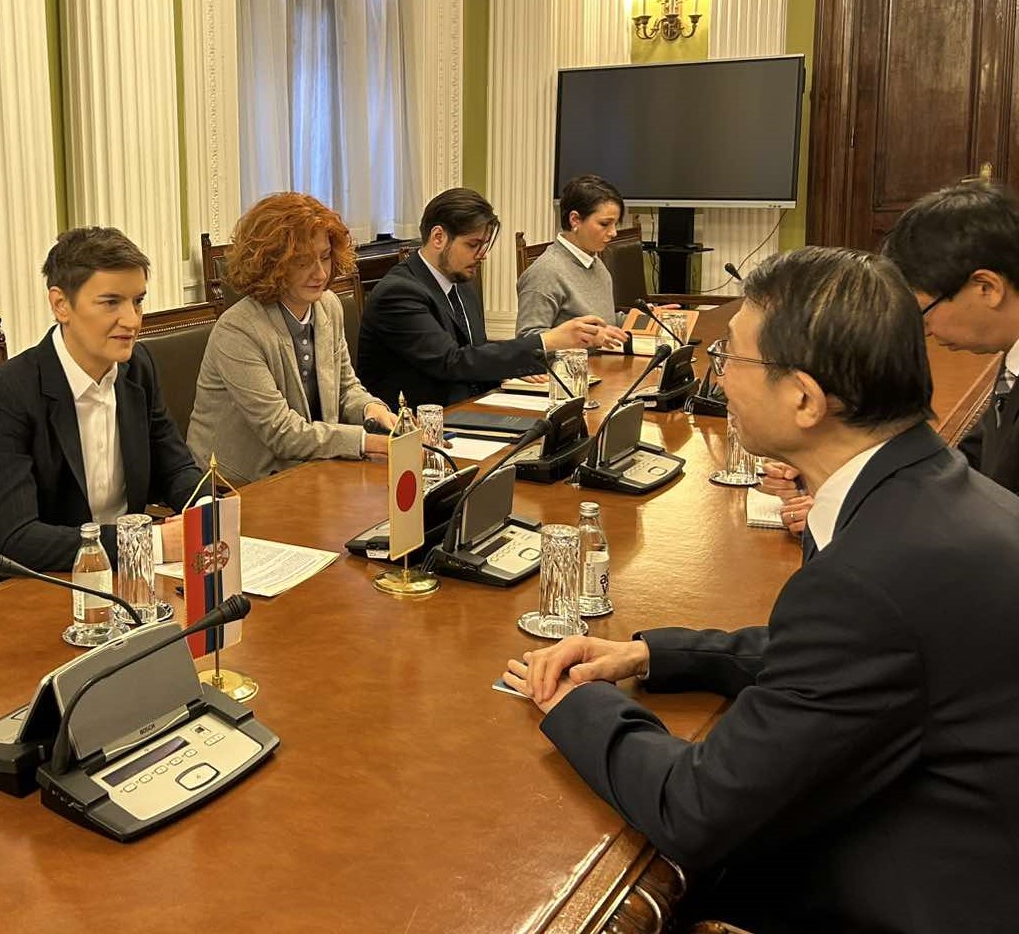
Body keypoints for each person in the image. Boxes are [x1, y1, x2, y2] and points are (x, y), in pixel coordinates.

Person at [500, 246, 1019, 931]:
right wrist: (652, 654)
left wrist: (578, 704)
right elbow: (844, 660)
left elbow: (696, 809)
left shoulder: (871, 576)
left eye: (731, 357)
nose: (719, 374)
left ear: (804, 398)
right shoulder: (936, 492)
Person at [0, 227, 205, 593]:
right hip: (21, 588)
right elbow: (18, 538)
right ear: (60, 305)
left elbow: (175, 466)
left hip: (121, 579)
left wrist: (206, 510)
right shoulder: (5, 395)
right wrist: (151, 542)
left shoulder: (138, 368)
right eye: (111, 302)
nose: (132, 320)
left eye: (138, 301)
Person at [763, 179, 1019, 534]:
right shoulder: (1010, 362)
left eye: (922, 312)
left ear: (986, 288)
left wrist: (855, 517)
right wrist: (837, 471)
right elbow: (968, 468)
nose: (923, 331)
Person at [186, 193, 398, 483]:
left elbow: (345, 388)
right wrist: (365, 442)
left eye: (325, 256)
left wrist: (370, 410)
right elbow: (280, 431)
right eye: (302, 261)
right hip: (235, 484)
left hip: (308, 467)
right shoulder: (237, 330)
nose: (320, 273)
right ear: (271, 263)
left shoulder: (329, 306)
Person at [357, 188, 627, 409]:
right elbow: (451, 362)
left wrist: (511, 369)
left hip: (470, 409)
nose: (482, 255)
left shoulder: (461, 283)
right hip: (417, 426)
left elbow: (476, 351)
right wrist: (547, 341)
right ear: (438, 237)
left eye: (484, 245)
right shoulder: (399, 293)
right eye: (473, 245)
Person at [515, 174, 625, 335]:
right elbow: (527, 340)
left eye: (615, 224)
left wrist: (647, 318)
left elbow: (606, 321)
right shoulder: (545, 272)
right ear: (575, 220)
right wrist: (582, 337)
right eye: (604, 224)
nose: (613, 233)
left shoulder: (594, 262)